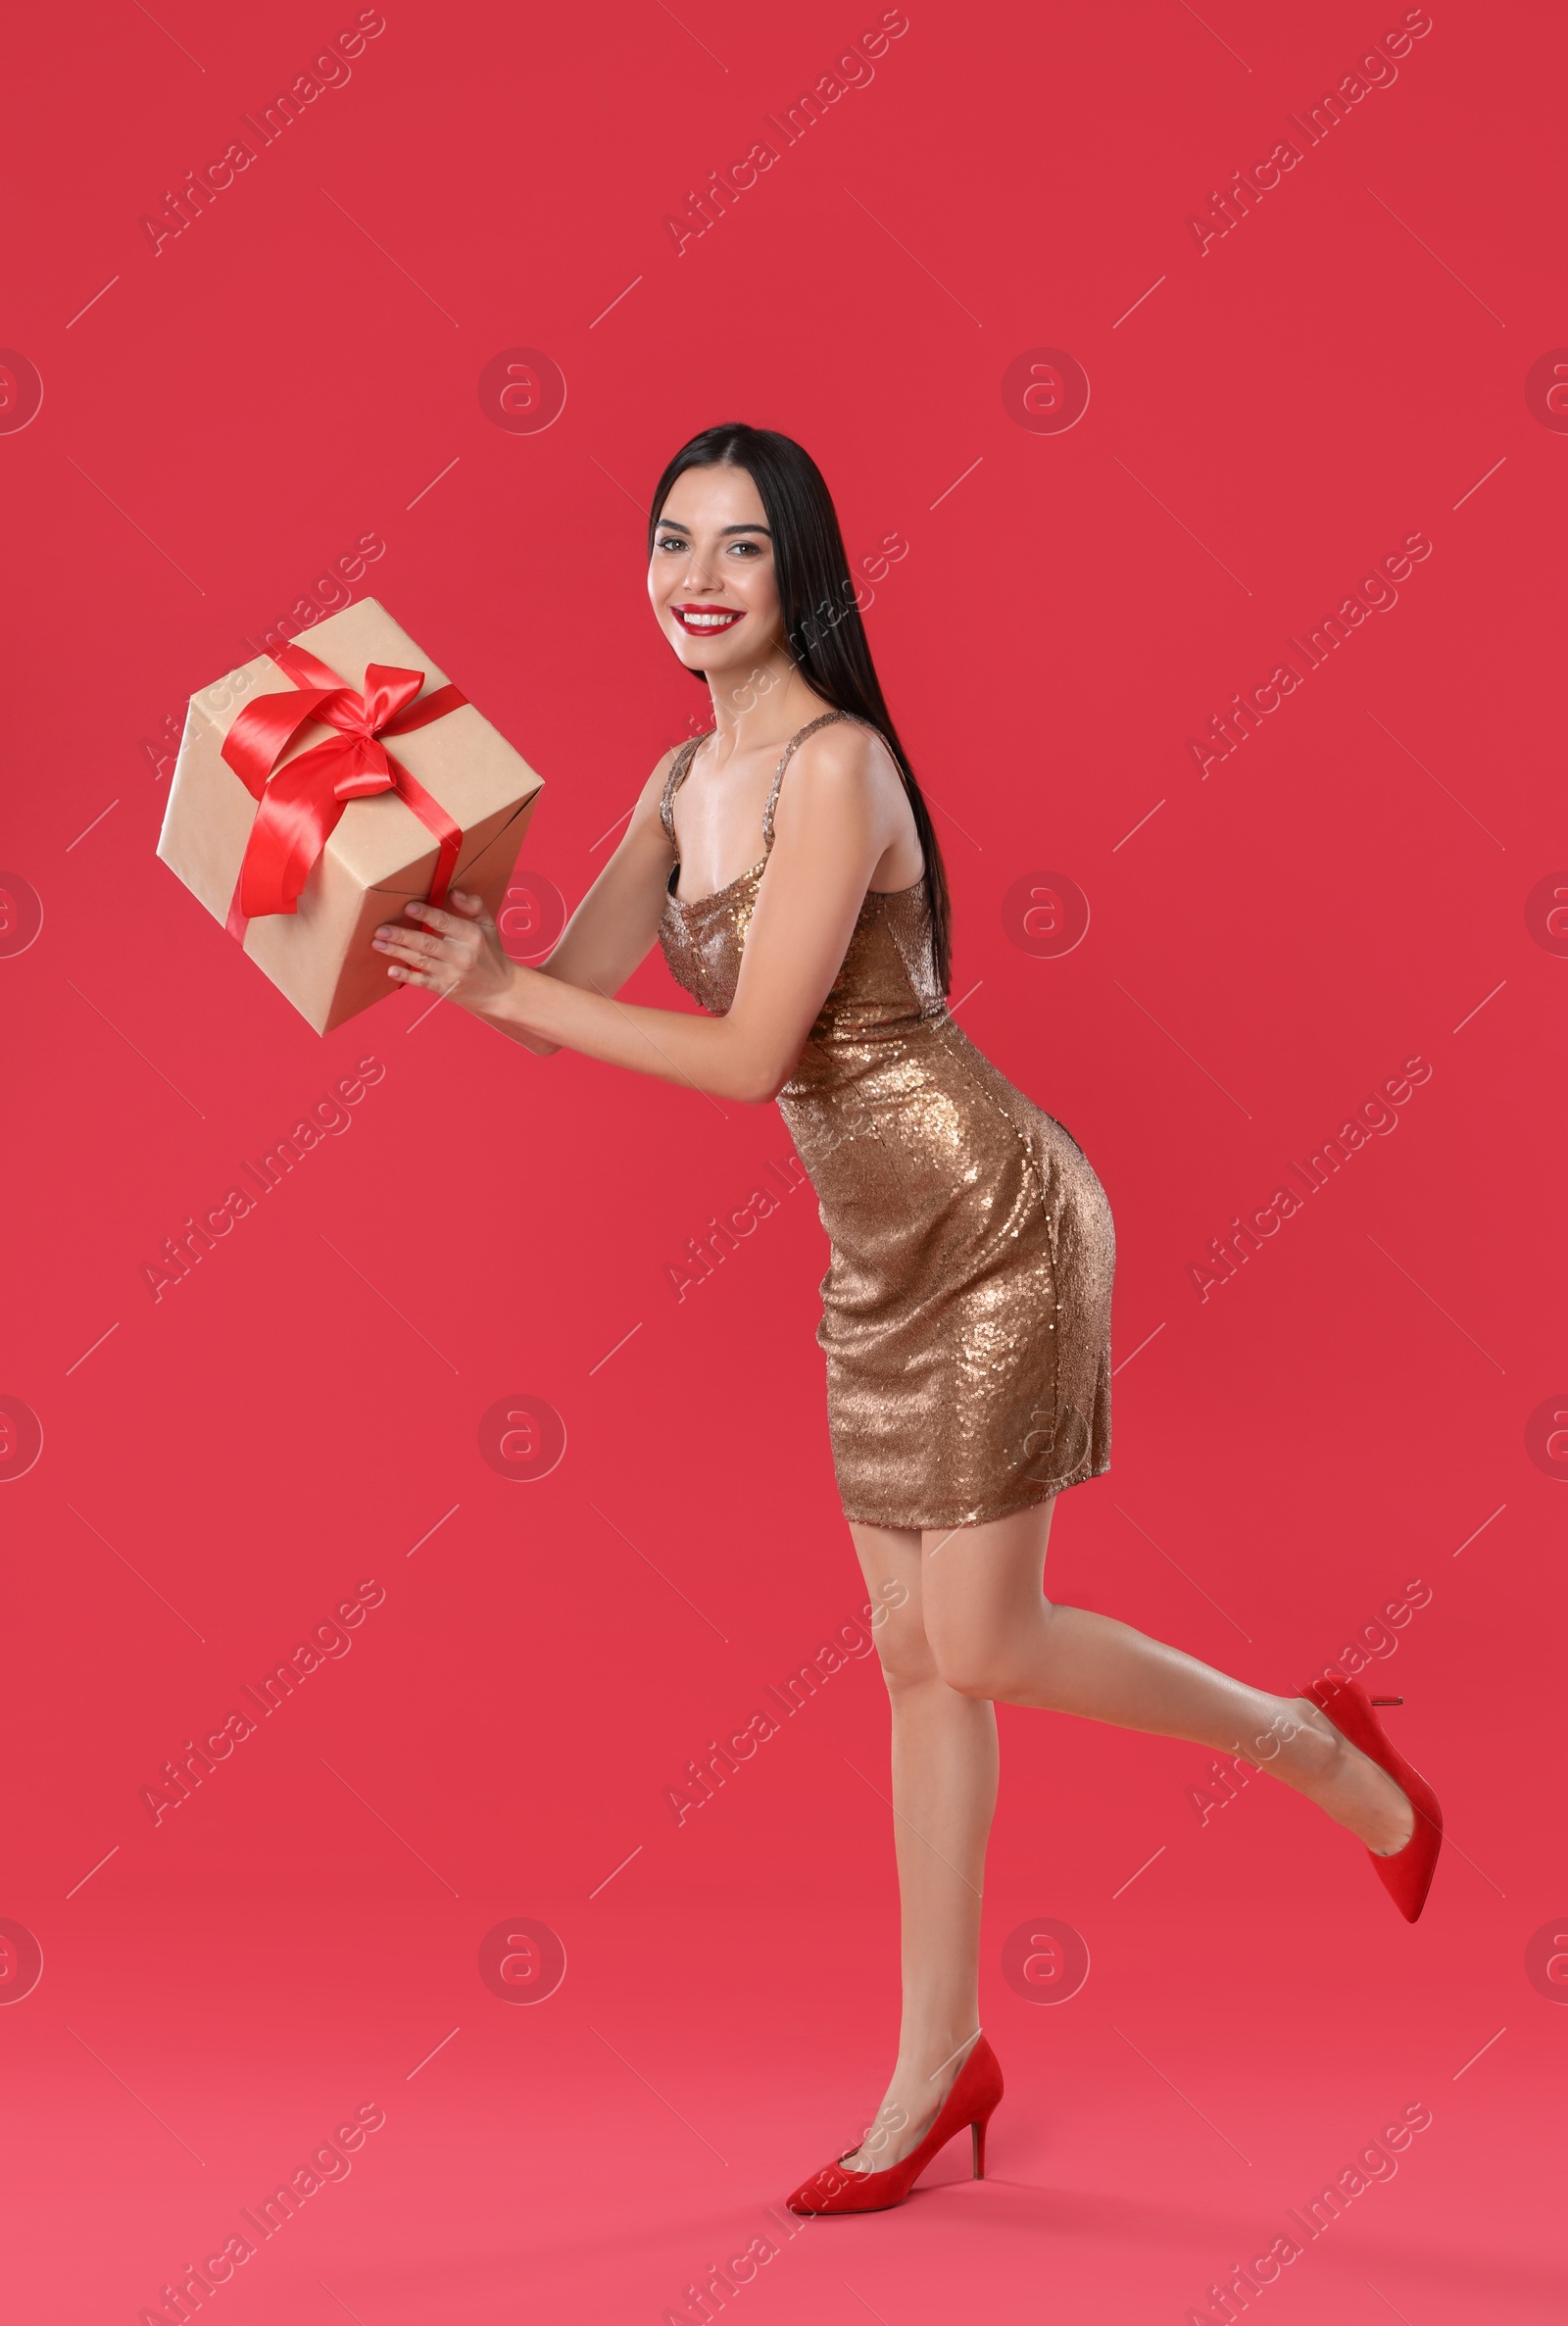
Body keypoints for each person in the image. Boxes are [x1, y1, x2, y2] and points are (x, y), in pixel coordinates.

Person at [369, 422, 1443, 2215]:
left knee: (988, 1638)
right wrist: (441, 946)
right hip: (875, 1259)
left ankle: (1316, 1743)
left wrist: (503, 988)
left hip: (998, 1220)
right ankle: (939, 2062)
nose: (694, 579)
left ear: (801, 573)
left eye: (738, 548)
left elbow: (739, 1060)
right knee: (911, 1660)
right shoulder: (671, 779)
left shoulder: (838, 767)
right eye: (668, 543)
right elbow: (561, 1010)